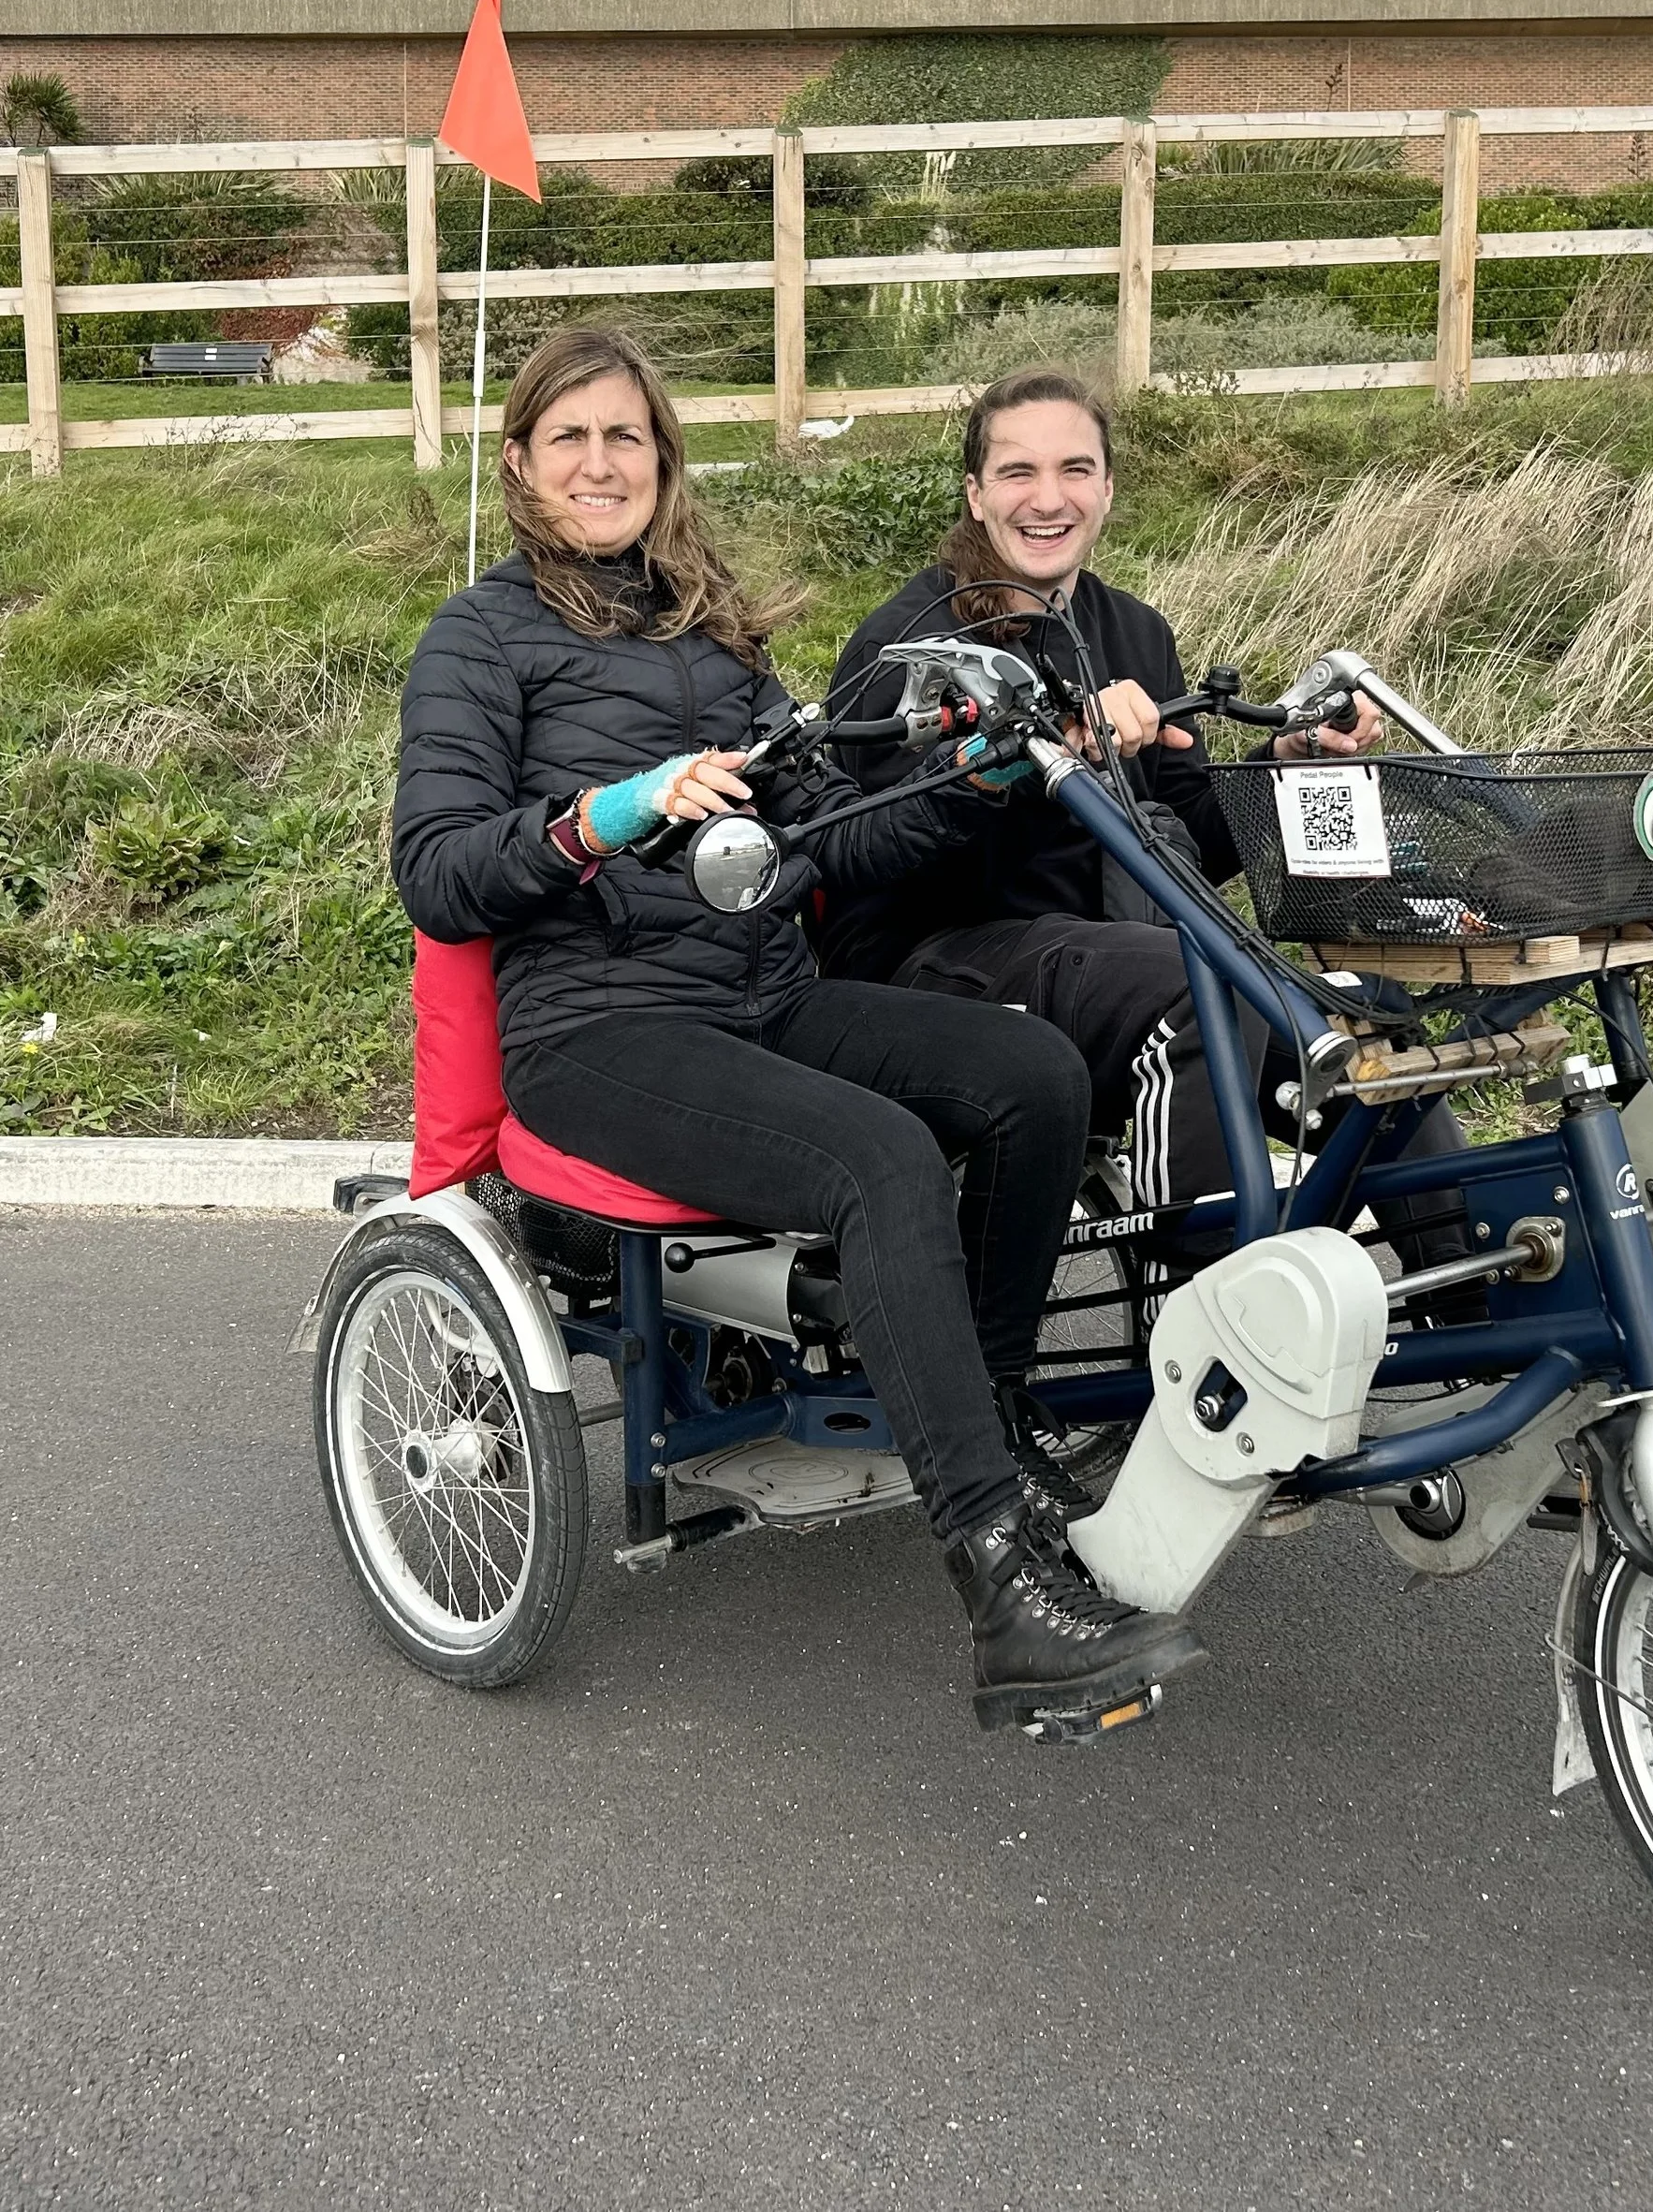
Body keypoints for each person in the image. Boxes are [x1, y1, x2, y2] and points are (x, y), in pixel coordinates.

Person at [389, 328, 1204, 1735]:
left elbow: (831, 837)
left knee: (1031, 1071)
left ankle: (988, 1411)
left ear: (662, 462)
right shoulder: (480, 637)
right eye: (571, 437)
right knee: (881, 1157)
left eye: (626, 437)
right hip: (598, 1025)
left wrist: (971, 775)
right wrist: (604, 816)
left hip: (761, 988)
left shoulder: (720, 640)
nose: (601, 462)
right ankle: (1003, 1589)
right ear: (519, 461)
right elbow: (438, 868)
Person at [817, 371, 1472, 1498]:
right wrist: (1020, 762)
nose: (1046, 495)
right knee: (1197, 990)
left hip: (1106, 942)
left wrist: (1284, 763)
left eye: (1073, 468)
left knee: (1365, 1013)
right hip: (942, 955)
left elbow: (1183, 832)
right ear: (975, 494)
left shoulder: (1132, 630)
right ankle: (1217, 1356)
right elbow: (871, 845)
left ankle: (1482, 1320)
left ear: (1108, 488)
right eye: (1017, 469)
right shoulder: (909, 649)